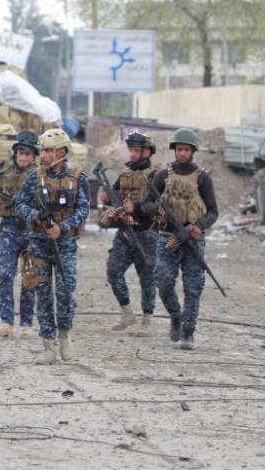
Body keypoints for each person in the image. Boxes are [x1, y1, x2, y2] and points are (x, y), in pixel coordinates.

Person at [15, 129, 89, 365]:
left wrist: (63, 226)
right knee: (43, 294)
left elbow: (83, 209)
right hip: (39, 244)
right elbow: (20, 205)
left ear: (62, 152)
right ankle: (47, 343)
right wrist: (37, 217)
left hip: (65, 244)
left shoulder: (79, 178)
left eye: (48, 151)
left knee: (65, 292)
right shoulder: (34, 178)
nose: (43, 155)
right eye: (43, 151)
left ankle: (65, 335)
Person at [144, 128, 218, 350]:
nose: (183, 153)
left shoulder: (203, 178)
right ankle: (175, 315)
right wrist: (160, 210)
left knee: (193, 286)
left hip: (192, 239)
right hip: (169, 236)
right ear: (174, 150)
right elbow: (146, 204)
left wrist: (199, 226)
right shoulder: (162, 176)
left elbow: (213, 212)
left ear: (193, 151)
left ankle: (188, 330)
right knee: (164, 280)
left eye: (186, 149)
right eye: (179, 149)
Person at [100, 132, 159, 336]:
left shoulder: (156, 176)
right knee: (113, 270)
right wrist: (107, 200)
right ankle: (127, 313)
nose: (132, 154)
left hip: (147, 234)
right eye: (131, 150)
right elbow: (115, 199)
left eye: (136, 150)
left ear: (147, 152)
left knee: (147, 278)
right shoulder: (125, 176)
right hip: (125, 233)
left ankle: (147, 319)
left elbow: (159, 206)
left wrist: (137, 208)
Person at [0, 130, 39, 340]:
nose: (23, 156)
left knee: (30, 278)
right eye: (20, 152)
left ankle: (26, 324)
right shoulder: (5, 172)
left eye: (27, 153)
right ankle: (6, 321)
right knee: (6, 275)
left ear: (33, 155)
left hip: (32, 231)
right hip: (9, 229)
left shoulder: (40, 175)